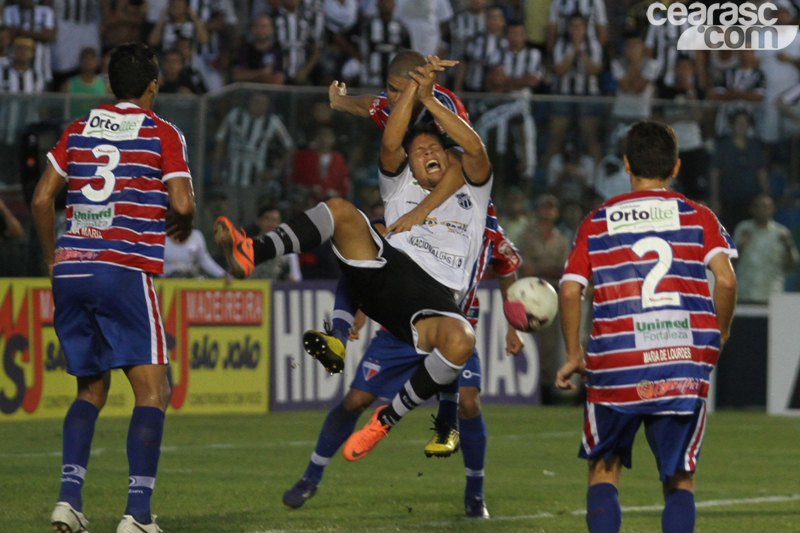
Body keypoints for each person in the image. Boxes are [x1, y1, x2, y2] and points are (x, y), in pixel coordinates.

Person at [215, 56, 491, 460]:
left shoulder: (473, 190)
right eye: (418, 151)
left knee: (462, 339)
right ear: (409, 163)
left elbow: (474, 148)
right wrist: (356, 99)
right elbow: (389, 140)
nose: (427, 152)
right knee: (341, 211)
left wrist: (428, 97)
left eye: (435, 148)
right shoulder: (399, 184)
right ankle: (252, 251)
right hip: (387, 274)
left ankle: (386, 419)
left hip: (432, 299)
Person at [31, 42, 195, 533]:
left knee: (91, 388)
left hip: (72, 268)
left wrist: (52, 259)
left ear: (109, 85)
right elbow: (182, 204)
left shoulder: (78, 128)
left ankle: (68, 501)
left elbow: (41, 199)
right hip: (122, 267)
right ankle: (137, 514)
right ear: (153, 86)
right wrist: (183, 221)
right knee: (153, 391)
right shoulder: (162, 131)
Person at [555, 120, 738, 533]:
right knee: (679, 478)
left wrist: (573, 354)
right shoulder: (699, 216)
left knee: (604, 470)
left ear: (626, 164)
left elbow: (570, 290)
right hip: (680, 360)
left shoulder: (597, 221)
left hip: (616, 361)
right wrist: (720, 333)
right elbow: (726, 281)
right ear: (676, 167)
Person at [282, 207, 522, 518]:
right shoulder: (420, 217)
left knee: (468, 402)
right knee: (355, 401)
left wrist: (514, 324)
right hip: (402, 330)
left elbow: (507, 268)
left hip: (454, 334)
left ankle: (475, 495)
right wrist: (357, 308)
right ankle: (311, 476)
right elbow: (365, 263)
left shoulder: (491, 233)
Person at [733, 194, 799, 304]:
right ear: (751, 209)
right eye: (757, 206)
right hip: (746, 293)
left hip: (772, 294)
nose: (761, 210)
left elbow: (791, 266)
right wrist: (741, 246)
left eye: (765, 207)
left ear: (772, 209)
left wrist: (787, 247)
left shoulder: (781, 233)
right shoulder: (743, 229)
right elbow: (730, 263)